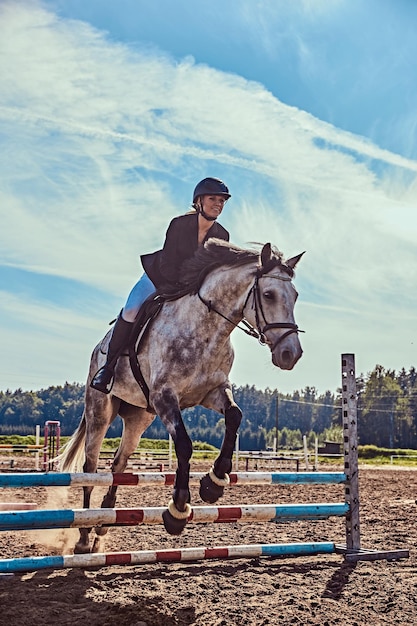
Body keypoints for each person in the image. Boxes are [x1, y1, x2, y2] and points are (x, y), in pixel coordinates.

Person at [90, 177, 231, 393]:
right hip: (158, 278)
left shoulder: (222, 235)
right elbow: (167, 264)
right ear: (198, 202)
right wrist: (181, 287)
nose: (218, 204)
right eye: (213, 198)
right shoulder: (179, 225)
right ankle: (107, 368)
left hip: (190, 289)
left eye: (222, 201)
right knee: (131, 310)